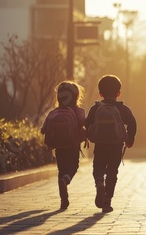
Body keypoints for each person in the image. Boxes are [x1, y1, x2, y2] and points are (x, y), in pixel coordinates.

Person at [85, 75, 137, 213]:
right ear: (118, 93)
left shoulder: (96, 108)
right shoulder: (122, 108)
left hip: (100, 145)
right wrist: (130, 139)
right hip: (116, 146)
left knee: (98, 167)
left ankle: (99, 182)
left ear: (100, 93)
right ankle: (107, 200)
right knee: (112, 172)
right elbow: (132, 123)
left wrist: (88, 136)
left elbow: (87, 124)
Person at [41, 81, 86, 210]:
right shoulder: (78, 111)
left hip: (58, 146)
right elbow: (84, 122)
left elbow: (44, 128)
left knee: (61, 170)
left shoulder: (54, 112)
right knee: (73, 166)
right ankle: (66, 180)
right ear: (76, 96)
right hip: (72, 144)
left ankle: (63, 200)